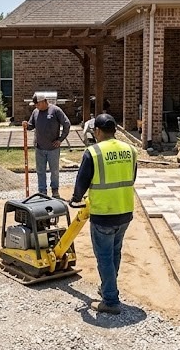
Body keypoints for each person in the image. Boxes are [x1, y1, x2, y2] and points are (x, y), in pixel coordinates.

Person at [70, 114, 137, 315]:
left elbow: (82, 180)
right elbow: (131, 177)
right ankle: (109, 287)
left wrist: (75, 198)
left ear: (97, 131)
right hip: (125, 211)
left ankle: (110, 299)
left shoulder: (93, 152)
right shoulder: (130, 150)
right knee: (115, 252)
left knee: (104, 257)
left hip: (103, 213)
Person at [22, 92, 71, 198]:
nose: (36, 106)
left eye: (37, 104)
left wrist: (60, 140)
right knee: (40, 171)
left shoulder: (56, 111)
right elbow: (31, 126)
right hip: (39, 148)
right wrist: (26, 125)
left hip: (53, 148)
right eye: (35, 104)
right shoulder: (35, 112)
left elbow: (67, 124)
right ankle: (42, 191)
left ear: (44, 101)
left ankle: (54, 190)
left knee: (54, 171)